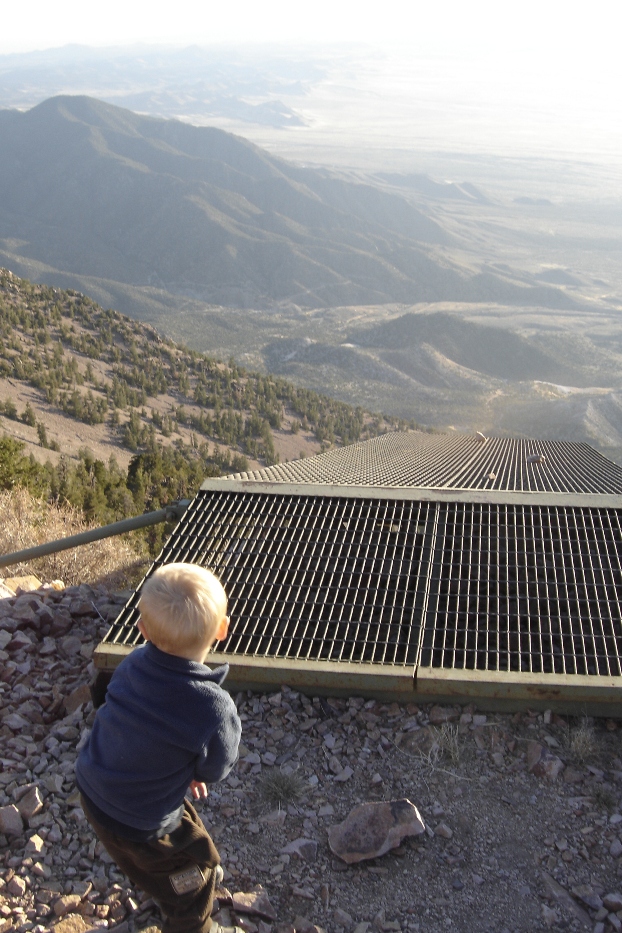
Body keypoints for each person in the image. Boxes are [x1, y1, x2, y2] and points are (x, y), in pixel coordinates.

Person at [75, 562, 241, 933]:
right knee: (191, 883)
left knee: (167, 840)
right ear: (222, 630)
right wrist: (197, 772)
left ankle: (161, 876)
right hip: (141, 821)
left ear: (142, 630)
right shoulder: (214, 708)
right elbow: (218, 765)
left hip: (93, 789)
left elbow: (119, 710)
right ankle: (189, 912)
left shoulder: (132, 663)